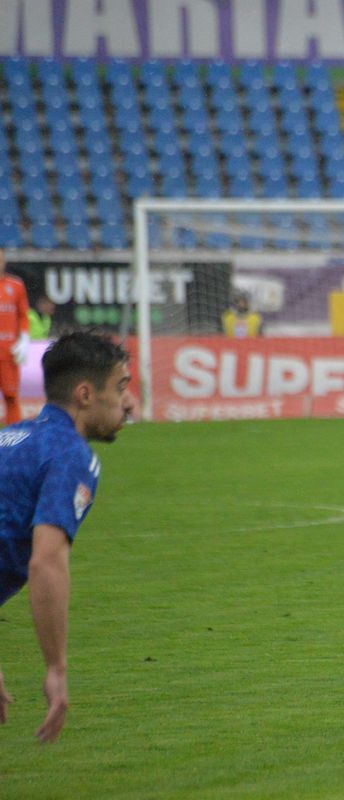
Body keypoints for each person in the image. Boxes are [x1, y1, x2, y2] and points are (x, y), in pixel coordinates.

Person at [0, 331, 134, 743]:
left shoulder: (10, 439)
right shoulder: (70, 455)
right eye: (120, 388)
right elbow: (46, 562)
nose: (128, 403)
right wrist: (56, 669)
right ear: (85, 394)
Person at [0, 252, 31, 425]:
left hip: (8, 352)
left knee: (11, 396)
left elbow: (23, 315)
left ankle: (14, 436)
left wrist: (24, 339)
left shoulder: (16, 285)